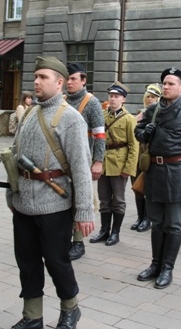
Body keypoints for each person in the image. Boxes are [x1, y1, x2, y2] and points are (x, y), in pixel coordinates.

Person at [5, 56, 94, 329]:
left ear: (59, 83)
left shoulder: (71, 118)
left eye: (43, 77)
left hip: (55, 205)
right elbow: (15, 154)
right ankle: (32, 316)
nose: (36, 81)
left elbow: (81, 168)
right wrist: (12, 194)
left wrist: (84, 211)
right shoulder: (30, 113)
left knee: (57, 262)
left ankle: (70, 308)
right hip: (23, 205)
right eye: (35, 76)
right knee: (27, 263)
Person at [135, 67, 181, 289]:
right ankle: (155, 264)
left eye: (171, 84)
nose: (166, 86)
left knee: (173, 225)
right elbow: (139, 132)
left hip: (177, 173)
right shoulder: (153, 109)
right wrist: (146, 133)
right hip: (154, 172)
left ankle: (167, 269)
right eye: (164, 83)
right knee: (156, 223)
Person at [89, 81, 139, 246]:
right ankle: (104, 230)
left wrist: (129, 168)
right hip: (102, 162)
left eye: (116, 96)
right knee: (104, 199)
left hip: (119, 164)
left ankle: (115, 232)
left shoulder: (129, 119)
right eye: (111, 96)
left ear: (123, 99)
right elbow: (95, 139)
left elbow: (134, 146)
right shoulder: (102, 116)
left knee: (118, 200)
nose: (113, 99)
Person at [64, 62, 105, 261]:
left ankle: (78, 242)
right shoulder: (62, 100)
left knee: (81, 200)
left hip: (83, 160)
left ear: (83, 80)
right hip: (62, 162)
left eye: (73, 79)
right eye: (67, 79)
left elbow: (100, 135)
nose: (69, 82)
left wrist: (98, 161)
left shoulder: (92, 102)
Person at [131, 83, 162, 232]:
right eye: (148, 96)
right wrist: (134, 120)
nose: (150, 99)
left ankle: (148, 219)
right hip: (137, 154)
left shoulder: (160, 114)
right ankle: (140, 216)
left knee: (147, 188)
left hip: (149, 155)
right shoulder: (140, 113)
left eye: (154, 97)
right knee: (137, 187)